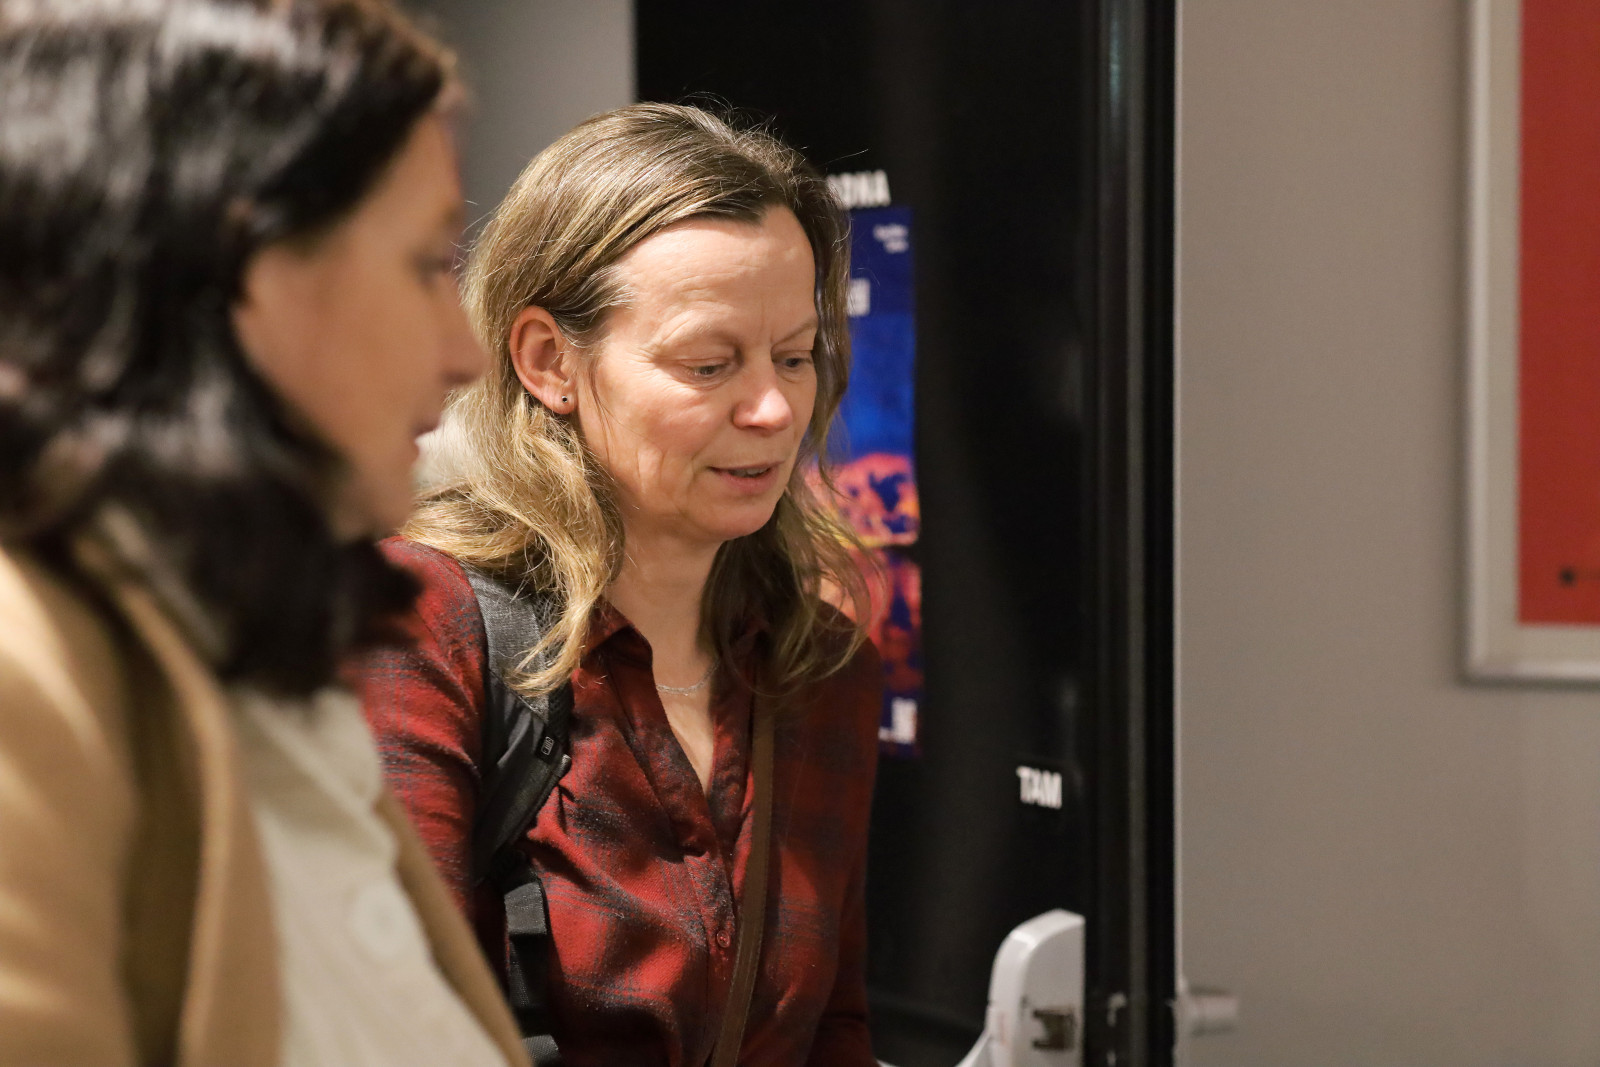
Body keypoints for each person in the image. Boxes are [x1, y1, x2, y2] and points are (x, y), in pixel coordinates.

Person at [0, 2, 527, 1064]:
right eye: (427, 263)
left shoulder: (259, 666)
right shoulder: (32, 684)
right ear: (240, 263)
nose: (465, 350)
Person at [353, 103, 883, 1066]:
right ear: (548, 361)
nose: (774, 408)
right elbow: (392, 1027)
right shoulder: (422, 627)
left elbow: (832, 1028)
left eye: (796, 356)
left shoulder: (822, 667)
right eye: (709, 363)